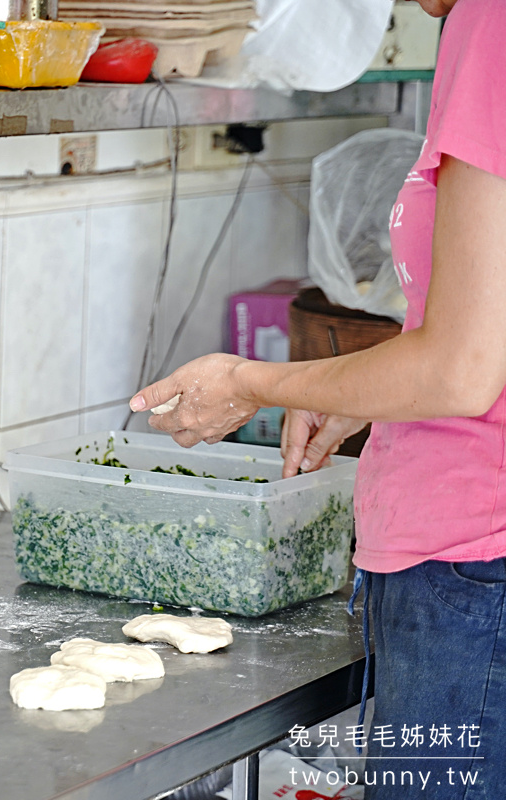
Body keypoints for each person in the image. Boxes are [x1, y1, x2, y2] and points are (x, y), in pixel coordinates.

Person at [130, 1, 505, 797]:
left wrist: (250, 381)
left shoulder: (493, 25)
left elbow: (463, 371)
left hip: (477, 575)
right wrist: (374, 387)